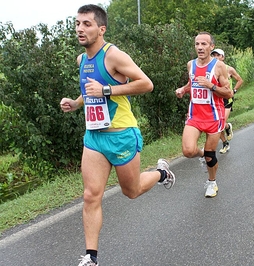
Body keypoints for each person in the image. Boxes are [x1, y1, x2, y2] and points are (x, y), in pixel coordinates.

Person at [59, 5, 175, 266]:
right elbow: (90, 90)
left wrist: (108, 91)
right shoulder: (82, 60)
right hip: (94, 137)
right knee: (90, 195)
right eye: (77, 23)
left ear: (101, 29)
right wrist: (76, 104)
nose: (80, 28)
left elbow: (146, 84)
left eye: (87, 24)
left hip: (121, 134)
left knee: (131, 191)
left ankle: (162, 173)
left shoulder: (113, 55)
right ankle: (91, 257)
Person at [175, 32, 233, 197]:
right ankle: (201, 155)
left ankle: (212, 182)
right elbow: (191, 83)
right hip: (195, 115)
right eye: (197, 44)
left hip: (214, 116)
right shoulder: (190, 65)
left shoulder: (219, 66)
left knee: (210, 154)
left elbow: (228, 93)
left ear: (211, 47)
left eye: (204, 44)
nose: (200, 47)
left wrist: (211, 86)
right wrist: (183, 90)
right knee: (188, 151)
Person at [211, 48, 243, 154]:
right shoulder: (210, 69)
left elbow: (240, 80)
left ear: (222, 57)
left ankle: (227, 127)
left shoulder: (229, 69)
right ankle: (225, 142)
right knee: (217, 124)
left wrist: (234, 90)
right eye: (213, 55)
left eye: (218, 55)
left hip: (227, 100)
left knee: (221, 122)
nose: (215, 57)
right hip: (215, 100)